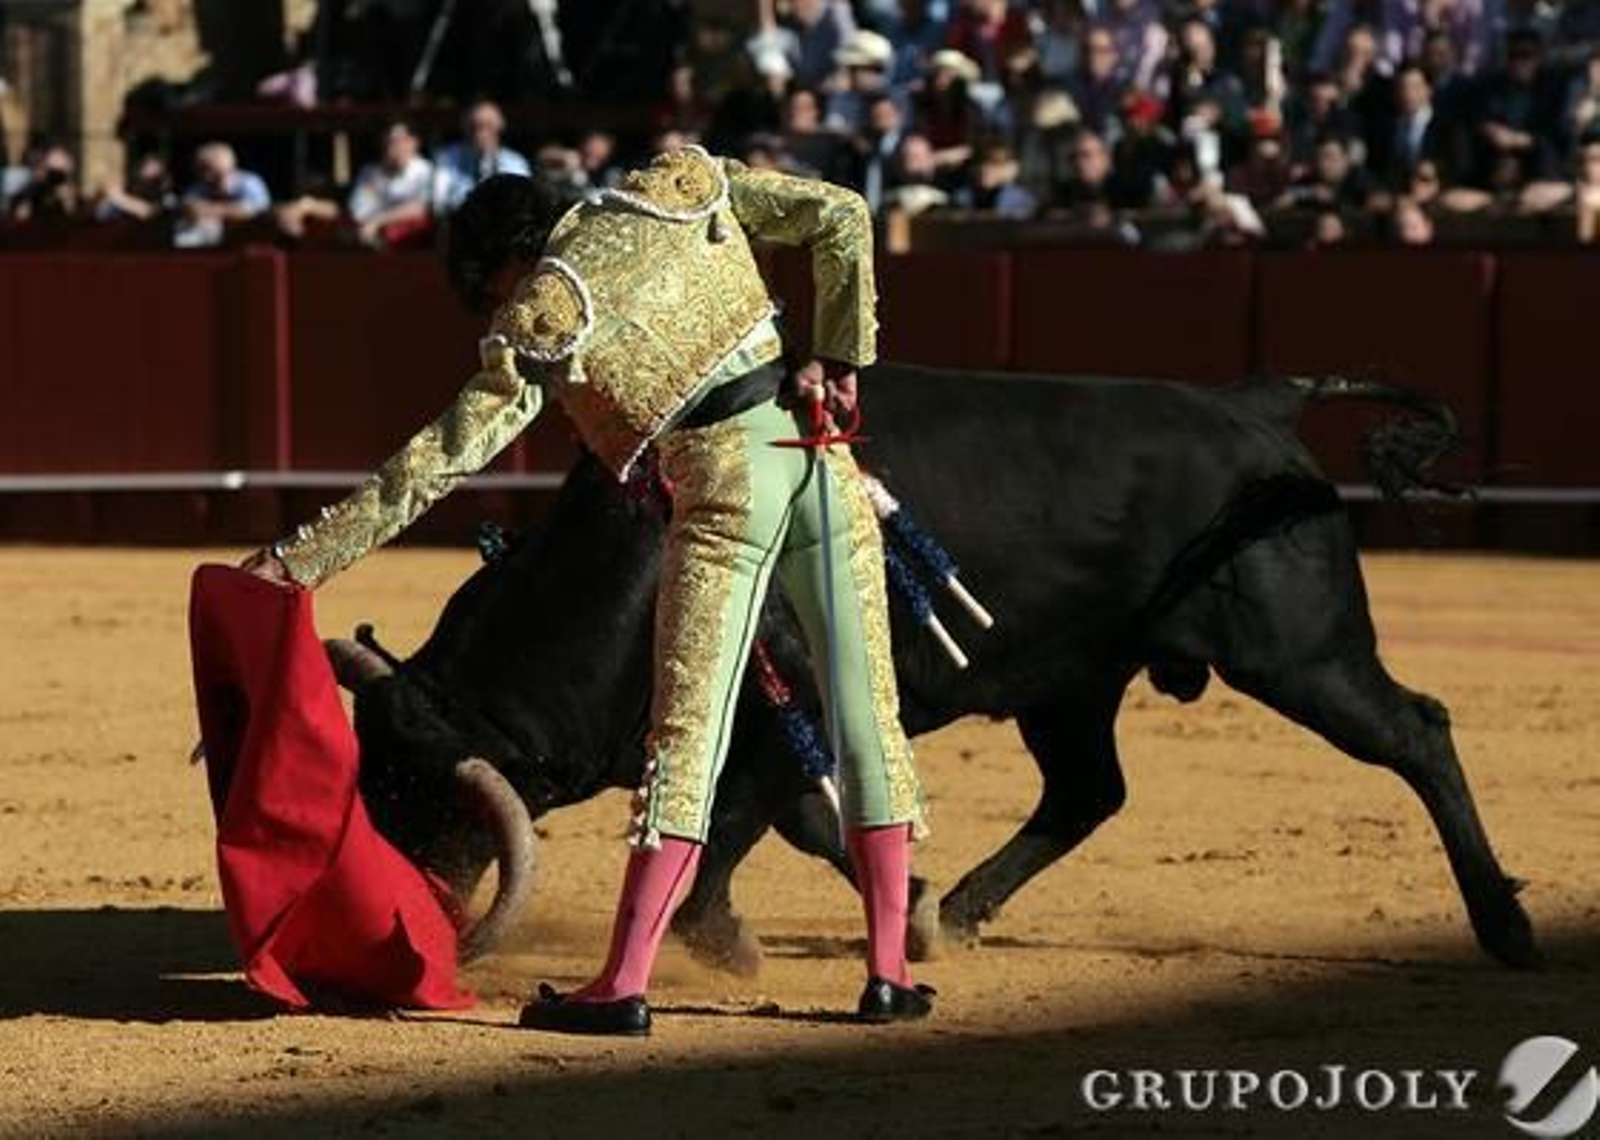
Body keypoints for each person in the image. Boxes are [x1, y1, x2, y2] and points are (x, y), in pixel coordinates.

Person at [240, 147, 930, 1035]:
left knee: (685, 738)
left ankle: (623, 985)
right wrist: (838, 355)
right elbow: (841, 213)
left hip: (724, 488)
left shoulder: (543, 312)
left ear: (501, 269)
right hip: (820, 459)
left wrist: (300, 558)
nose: (497, 307)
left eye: (488, 294)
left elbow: (435, 462)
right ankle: (889, 974)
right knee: (868, 718)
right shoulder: (676, 186)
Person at [432, 100, 532, 213]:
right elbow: (438, 202)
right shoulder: (447, 158)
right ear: (464, 127)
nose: (480, 133)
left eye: (488, 125)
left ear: (500, 126)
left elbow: (523, 203)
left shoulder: (515, 162)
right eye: (474, 126)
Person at [347, 120, 434, 247]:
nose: (392, 147)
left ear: (414, 142)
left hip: (410, 242)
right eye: (388, 142)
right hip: (369, 237)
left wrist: (378, 221)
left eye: (399, 141)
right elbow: (358, 211)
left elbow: (422, 208)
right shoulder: (369, 172)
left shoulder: (425, 170)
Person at [174, 142, 271, 247]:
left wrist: (211, 210)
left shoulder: (249, 181)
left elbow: (255, 210)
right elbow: (189, 207)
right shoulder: (199, 187)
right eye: (202, 171)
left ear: (230, 167)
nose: (207, 176)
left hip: (247, 240)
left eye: (212, 171)